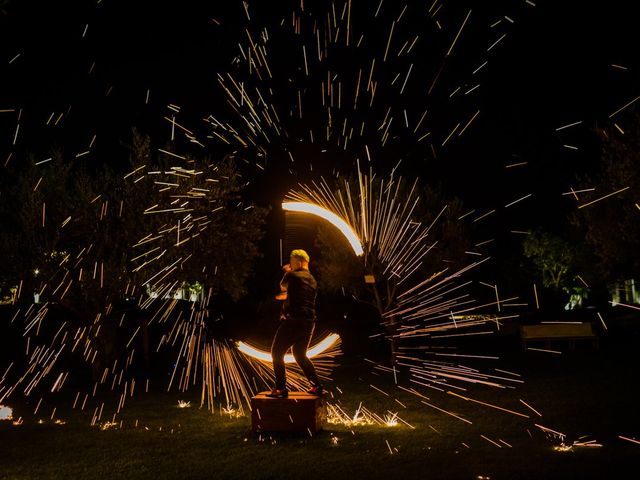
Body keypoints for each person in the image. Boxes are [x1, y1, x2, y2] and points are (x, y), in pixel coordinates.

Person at [267, 249, 323, 398]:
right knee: (299, 354)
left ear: (298, 261)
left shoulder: (291, 275)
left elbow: (283, 285)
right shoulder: (312, 280)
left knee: (277, 352)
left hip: (294, 321)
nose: (290, 266)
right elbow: (299, 293)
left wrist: (287, 271)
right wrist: (287, 297)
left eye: (292, 263)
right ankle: (316, 386)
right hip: (309, 322)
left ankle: (280, 388)